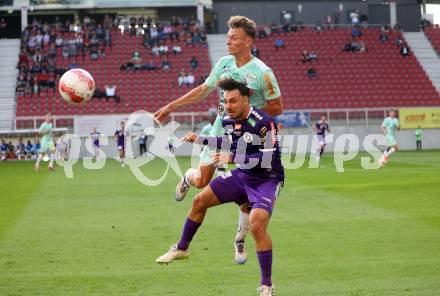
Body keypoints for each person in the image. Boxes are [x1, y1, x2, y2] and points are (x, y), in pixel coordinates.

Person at [154, 16, 283, 265]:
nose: (228, 41)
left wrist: (250, 115)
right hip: (218, 132)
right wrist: (171, 107)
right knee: (202, 181)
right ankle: (187, 177)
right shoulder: (224, 63)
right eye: (227, 37)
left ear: (247, 41)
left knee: (250, 187)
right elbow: (203, 90)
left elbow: (277, 107)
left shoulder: (263, 73)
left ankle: (240, 238)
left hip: (247, 137)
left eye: (233, 38)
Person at [157, 79, 282, 296]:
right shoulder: (226, 120)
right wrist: (200, 140)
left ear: (245, 99)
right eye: (226, 101)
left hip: (267, 179)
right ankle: (182, 248)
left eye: (233, 101)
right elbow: (229, 143)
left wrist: (233, 157)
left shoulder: (264, 122)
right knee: (199, 201)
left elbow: (269, 159)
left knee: (257, 224)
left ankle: (266, 286)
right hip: (242, 175)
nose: (229, 105)